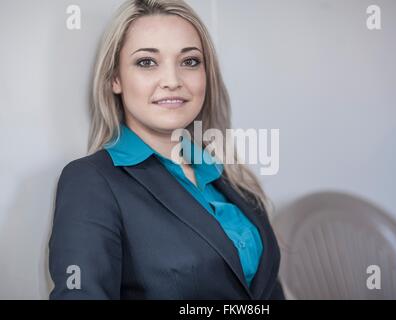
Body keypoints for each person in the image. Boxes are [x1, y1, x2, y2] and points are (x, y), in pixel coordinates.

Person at [48, 0, 285, 300]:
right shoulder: (90, 181)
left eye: (189, 62)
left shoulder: (227, 172)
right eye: (147, 62)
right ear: (115, 79)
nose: (173, 81)